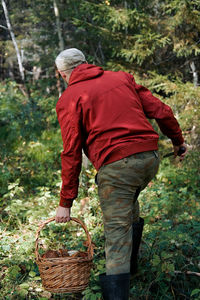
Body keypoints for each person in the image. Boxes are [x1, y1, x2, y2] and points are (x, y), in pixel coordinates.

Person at [54, 48, 187, 300]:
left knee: (116, 233)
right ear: (85, 63)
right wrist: (178, 142)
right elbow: (161, 110)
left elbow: (71, 152)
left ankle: (118, 291)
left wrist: (65, 203)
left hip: (118, 167)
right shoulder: (121, 78)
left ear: (62, 74)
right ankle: (132, 271)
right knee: (128, 204)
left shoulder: (69, 98)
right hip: (149, 159)